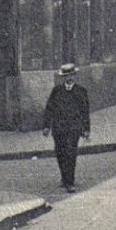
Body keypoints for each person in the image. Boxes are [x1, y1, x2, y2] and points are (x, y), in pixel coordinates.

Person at [42, 63, 90, 193]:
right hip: (58, 128)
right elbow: (49, 108)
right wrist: (46, 126)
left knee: (71, 153)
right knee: (60, 152)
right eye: (66, 76)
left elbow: (85, 111)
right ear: (63, 78)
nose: (69, 78)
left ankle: (70, 182)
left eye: (71, 75)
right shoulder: (56, 91)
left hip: (74, 127)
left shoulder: (81, 91)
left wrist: (86, 129)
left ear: (75, 76)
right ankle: (64, 177)